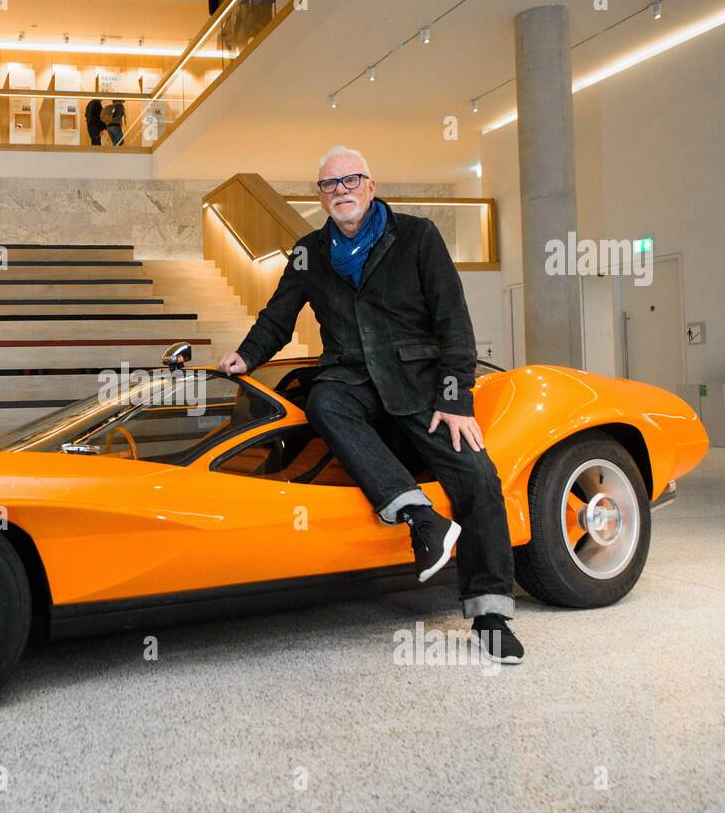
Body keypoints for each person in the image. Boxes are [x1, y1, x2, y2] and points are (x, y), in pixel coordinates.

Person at [216, 145, 524, 664]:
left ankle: (490, 613)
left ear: (371, 185)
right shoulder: (308, 252)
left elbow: (454, 322)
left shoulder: (418, 237)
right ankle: (420, 518)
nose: (341, 190)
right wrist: (245, 357)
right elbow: (278, 317)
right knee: (323, 400)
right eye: (329, 184)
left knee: (477, 476)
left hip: (422, 388)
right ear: (320, 196)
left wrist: (456, 399)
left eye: (350, 180)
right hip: (352, 380)